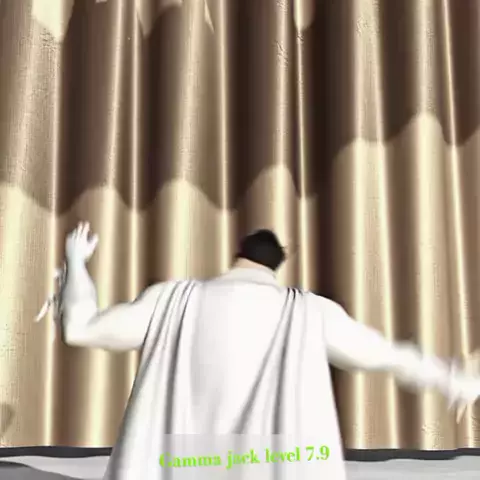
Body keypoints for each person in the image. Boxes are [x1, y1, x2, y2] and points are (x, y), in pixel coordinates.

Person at [42, 222, 480, 479]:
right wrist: (455, 380)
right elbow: (387, 355)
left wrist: (76, 265)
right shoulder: (310, 311)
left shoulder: (170, 299)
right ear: (276, 264)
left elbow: (80, 329)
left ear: (238, 256)